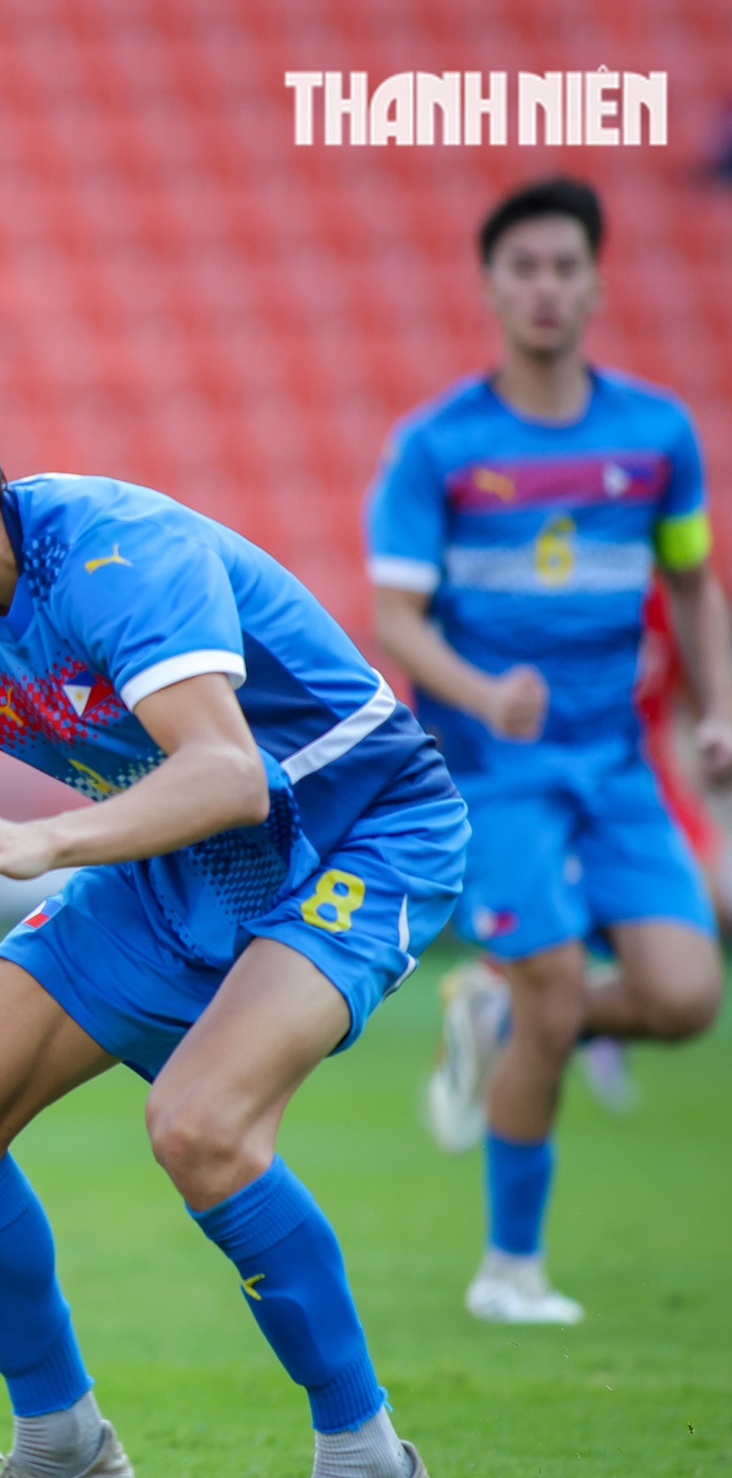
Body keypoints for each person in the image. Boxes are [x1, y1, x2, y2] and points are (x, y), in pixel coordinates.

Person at [0, 324, 464, 1478]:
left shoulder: (113, 550)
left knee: (200, 1125)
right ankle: (59, 1453)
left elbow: (226, 771)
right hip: (169, 865)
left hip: (354, 834)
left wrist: (44, 839)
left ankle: (372, 1476)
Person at [368, 177, 727, 1325]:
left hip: (615, 766)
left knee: (684, 997)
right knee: (561, 988)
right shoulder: (438, 449)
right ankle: (508, 1270)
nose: (544, 287)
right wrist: (481, 690)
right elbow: (397, 619)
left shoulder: (656, 436)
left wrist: (715, 711)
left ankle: (499, 1012)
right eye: (522, 267)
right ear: (489, 286)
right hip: (493, 770)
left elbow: (691, 581)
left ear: (595, 282)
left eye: (563, 266)